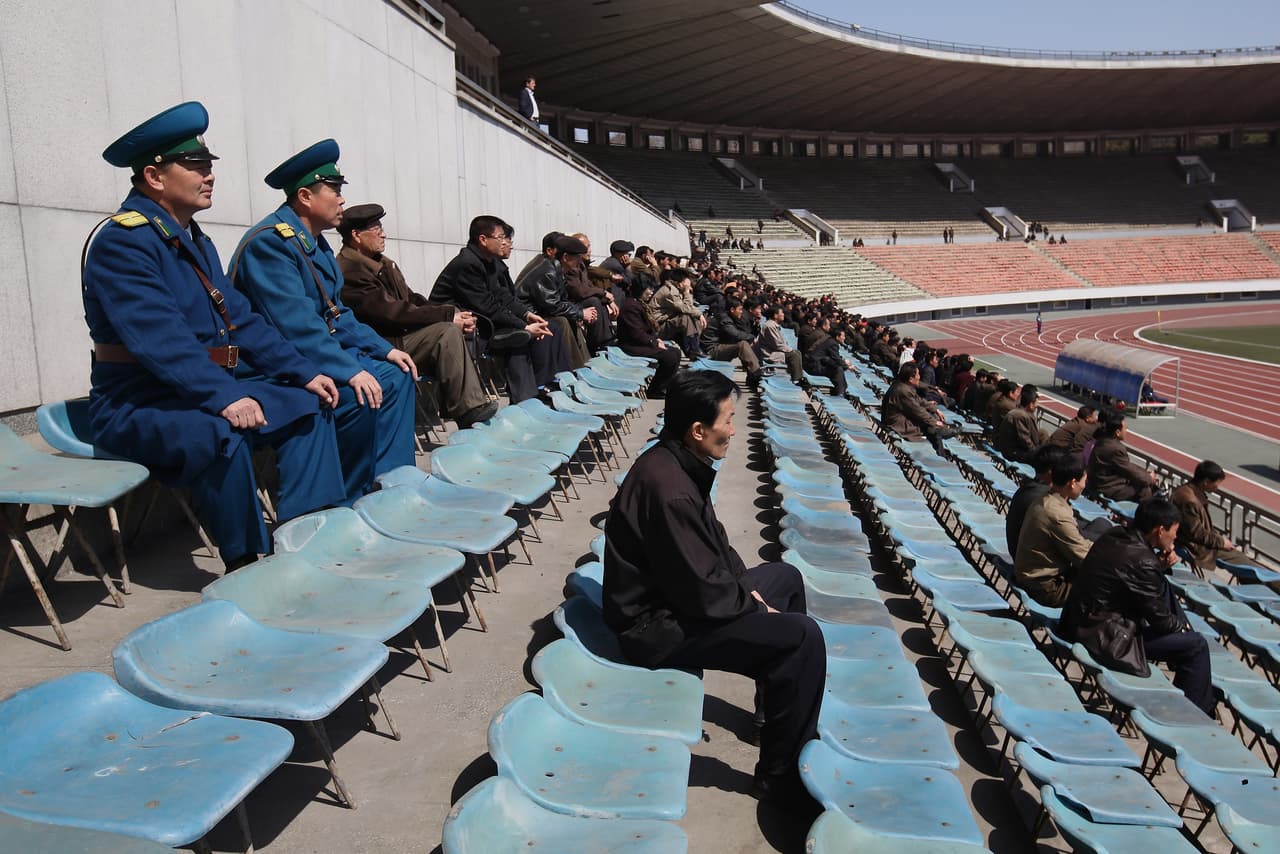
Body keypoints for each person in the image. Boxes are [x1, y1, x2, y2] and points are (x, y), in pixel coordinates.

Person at [84, 102, 346, 570]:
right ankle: (246, 562)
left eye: (209, 166)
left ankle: (307, 534)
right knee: (222, 429)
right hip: (137, 400)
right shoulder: (123, 241)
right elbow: (160, 340)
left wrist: (304, 373)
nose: (209, 176)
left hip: (191, 390)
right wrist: (224, 396)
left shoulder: (191, 238)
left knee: (310, 403)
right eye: (196, 166)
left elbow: (242, 321)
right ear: (155, 176)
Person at [602, 370, 826, 800]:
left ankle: (772, 720)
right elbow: (703, 592)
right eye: (728, 419)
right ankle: (780, 777)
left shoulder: (678, 463)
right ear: (698, 429)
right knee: (802, 638)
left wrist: (751, 590)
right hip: (655, 628)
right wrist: (758, 609)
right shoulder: (670, 490)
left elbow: (716, 548)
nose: (733, 429)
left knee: (785, 578)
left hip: (677, 602)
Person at [232, 140, 417, 503]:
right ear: (305, 196)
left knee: (397, 373)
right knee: (357, 392)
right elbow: (297, 327)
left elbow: (336, 314)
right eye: (334, 190)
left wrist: (382, 350)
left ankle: (389, 482)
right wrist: (349, 369)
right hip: (271, 366)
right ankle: (349, 497)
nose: (342, 200)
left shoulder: (314, 243)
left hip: (310, 355)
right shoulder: (270, 244)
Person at [336, 204, 496, 428]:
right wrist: (447, 317)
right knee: (446, 333)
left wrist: (452, 314)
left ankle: (470, 404)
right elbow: (391, 312)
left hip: (400, 337)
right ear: (356, 235)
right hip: (383, 345)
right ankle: (468, 410)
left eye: (381, 226)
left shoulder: (383, 263)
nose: (383, 233)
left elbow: (411, 299)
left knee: (456, 325)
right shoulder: (350, 270)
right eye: (376, 228)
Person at [1060, 498, 1214, 715]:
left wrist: (1158, 568)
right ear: (1160, 530)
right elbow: (1161, 621)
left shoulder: (1114, 535)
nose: (1175, 538)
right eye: (1174, 532)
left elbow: (1137, 580)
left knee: (1169, 598)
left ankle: (1194, 683)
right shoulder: (1143, 561)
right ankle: (1197, 714)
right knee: (1196, 646)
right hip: (1107, 638)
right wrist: (1180, 628)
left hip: (1084, 621)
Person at [429, 215, 564, 404]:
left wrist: (528, 315)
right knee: (518, 336)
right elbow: (487, 305)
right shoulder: (468, 263)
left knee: (543, 328)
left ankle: (540, 390)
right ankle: (526, 400)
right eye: (500, 237)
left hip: (482, 321)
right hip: (461, 329)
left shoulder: (487, 261)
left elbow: (502, 297)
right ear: (483, 240)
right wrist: (523, 327)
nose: (504, 242)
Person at [1015, 453, 1093, 606]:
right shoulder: (1057, 514)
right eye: (1084, 481)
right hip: (1045, 587)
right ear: (1072, 483)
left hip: (1031, 576)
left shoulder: (1045, 499)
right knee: (1105, 588)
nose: (1084, 485)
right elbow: (1082, 556)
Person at [1171, 461, 1266, 574]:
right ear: (1206, 482)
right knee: (1251, 567)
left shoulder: (1185, 491)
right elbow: (1197, 534)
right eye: (1216, 483)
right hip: (1197, 547)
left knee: (1243, 562)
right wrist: (1221, 542)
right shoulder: (1190, 501)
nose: (1217, 487)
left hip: (1189, 542)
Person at [516, 234, 595, 368]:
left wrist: (578, 312)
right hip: (527, 315)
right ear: (565, 257)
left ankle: (583, 363)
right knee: (562, 321)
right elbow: (552, 306)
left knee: (572, 316)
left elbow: (561, 299)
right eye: (577, 259)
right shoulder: (547, 271)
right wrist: (580, 313)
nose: (579, 263)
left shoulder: (555, 267)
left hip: (539, 309)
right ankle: (574, 367)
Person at [616, 277, 680, 398]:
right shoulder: (630, 306)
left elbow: (646, 330)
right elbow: (637, 333)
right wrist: (654, 342)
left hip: (640, 342)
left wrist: (656, 339)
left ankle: (662, 387)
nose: (651, 292)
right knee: (670, 356)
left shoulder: (638, 303)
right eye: (648, 289)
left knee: (675, 352)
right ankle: (655, 390)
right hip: (632, 345)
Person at [882, 363, 953, 451]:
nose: (919, 377)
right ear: (911, 379)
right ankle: (940, 456)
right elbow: (917, 411)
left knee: (931, 422)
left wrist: (935, 409)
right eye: (918, 374)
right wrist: (935, 422)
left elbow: (919, 400)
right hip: (898, 425)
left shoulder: (902, 385)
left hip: (897, 420)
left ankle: (941, 443)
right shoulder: (903, 391)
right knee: (932, 430)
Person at [1087, 413, 1156, 502]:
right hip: (1107, 488)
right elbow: (1129, 470)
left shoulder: (1103, 440)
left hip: (1096, 483)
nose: (1126, 430)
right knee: (1144, 488)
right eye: (1125, 428)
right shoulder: (1115, 448)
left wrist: (1144, 473)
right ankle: (1144, 515)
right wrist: (1149, 478)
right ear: (1117, 432)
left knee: (1140, 480)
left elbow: (1126, 466)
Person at [702, 297, 763, 387]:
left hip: (719, 347)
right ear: (732, 309)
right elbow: (735, 334)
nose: (742, 312)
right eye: (740, 310)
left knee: (744, 344)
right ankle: (756, 373)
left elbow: (744, 333)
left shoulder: (730, 317)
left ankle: (753, 376)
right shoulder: (724, 319)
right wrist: (752, 338)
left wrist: (756, 325)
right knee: (742, 345)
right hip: (711, 350)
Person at [652, 267, 705, 358]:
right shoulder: (670, 292)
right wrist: (687, 292)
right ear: (679, 283)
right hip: (656, 327)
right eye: (686, 282)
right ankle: (694, 349)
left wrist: (700, 315)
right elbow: (686, 308)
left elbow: (688, 307)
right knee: (684, 318)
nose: (689, 284)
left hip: (665, 322)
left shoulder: (674, 289)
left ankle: (694, 350)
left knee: (690, 318)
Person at [994, 384, 1048, 463]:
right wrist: (1037, 453)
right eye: (1036, 406)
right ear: (1031, 405)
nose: (1036, 408)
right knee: (1045, 460)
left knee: (1043, 433)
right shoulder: (1021, 415)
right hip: (1012, 453)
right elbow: (1025, 441)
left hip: (1010, 449)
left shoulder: (1019, 412)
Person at [756, 304, 803, 382]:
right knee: (794, 355)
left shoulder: (773, 325)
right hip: (770, 354)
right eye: (781, 313)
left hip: (774, 351)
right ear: (775, 315)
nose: (783, 315)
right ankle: (797, 379)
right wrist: (790, 349)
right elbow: (777, 345)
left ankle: (798, 377)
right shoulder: (769, 326)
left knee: (797, 353)